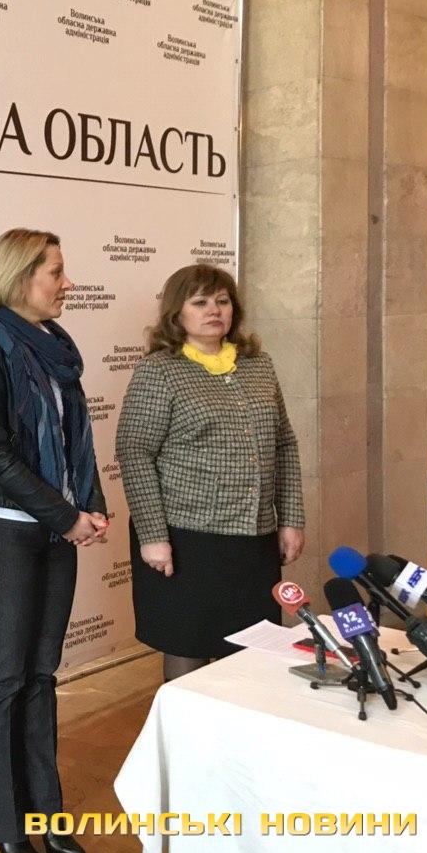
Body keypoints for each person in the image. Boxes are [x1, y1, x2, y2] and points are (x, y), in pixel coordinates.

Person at [0, 229, 107, 853]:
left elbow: (76, 443)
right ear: (20, 277)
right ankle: (4, 828)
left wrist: (90, 504)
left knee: (41, 675)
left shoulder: (58, 352)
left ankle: (47, 816)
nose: (68, 284)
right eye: (56, 272)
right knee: (4, 679)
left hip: (52, 531)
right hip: (4, 535)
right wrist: (65, 515)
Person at [115, 263, 305, 683]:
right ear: (176, 313)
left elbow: (284, 444)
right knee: (190, 646)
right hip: (188, 540)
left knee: (252, 650)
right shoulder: (160, 370)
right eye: (200, 302)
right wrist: (153, 535)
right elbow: (134, 451)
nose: (214, 310)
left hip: (254, 539)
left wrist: (291, 518)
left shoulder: (258, 364)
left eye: (222, 301)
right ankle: (186, 727)